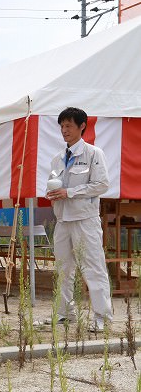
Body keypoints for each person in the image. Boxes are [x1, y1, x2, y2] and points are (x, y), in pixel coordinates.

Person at [46, 107, 113, 332]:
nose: (64, 131)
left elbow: (102, 184)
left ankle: (102, 317)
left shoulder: (94, 154)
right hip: (63, 220)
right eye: (62, 126)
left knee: (93, 268)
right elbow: (54, 184)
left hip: (85, 220)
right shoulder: (57, 159)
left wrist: (70, 192)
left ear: (82, 126)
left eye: (69, 126)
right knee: (63, 268)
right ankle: (64, 312)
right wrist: (54, 195)